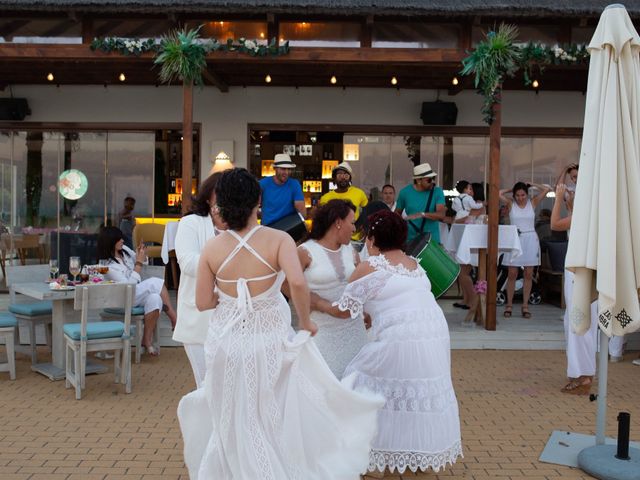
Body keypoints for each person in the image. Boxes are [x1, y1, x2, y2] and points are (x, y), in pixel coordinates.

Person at [177, 168, 382, 479]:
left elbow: (203, 302)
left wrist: (229, 298)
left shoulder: (212, 248)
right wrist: (305, 322)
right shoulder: (278, 239)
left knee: (235, 416)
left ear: (222, 204)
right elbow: (298, 284)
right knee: (274, 412)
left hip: (227, 343)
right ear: (258, 200)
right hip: (270, 340)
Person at [335, 210, 462, 475]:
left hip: (402, 337)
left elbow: (346, 308)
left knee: (357, 381)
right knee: (413, 394)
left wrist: (311, 302)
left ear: (371, 239)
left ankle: (377, 453)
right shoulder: (415, 264)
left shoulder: (369, 266)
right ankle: (411, 456)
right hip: (433, 333)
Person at [552, 183, 625, 393]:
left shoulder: (585, 216)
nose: (570, 194)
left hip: (581, 273)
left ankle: (583, 375)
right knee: (575, 321)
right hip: (584, 271)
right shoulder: (588, 215)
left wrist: (557, 198)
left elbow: (555, 224)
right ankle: (581, 372)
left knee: (579, 321)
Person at [293, 199, 368, 378]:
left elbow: (361, 284)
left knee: (355, 382)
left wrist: (366, 310)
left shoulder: (351, 251)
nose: (354, 228)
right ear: (338, 222)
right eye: (352, 222)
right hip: (322, 331)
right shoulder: (305, 251)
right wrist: (321, 304)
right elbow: (288, 285)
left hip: (354, 330)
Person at [172, 172, 226, 388]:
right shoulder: (191, 223)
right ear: (207, 197)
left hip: (232, 319)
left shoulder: (239, 226)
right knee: (206, 385)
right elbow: (187, 262)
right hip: (199, 318)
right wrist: (228, 268)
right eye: (220, 194)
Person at [97, 226, 177, 356]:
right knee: (155, 282)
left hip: (136, 295)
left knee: (155, 299)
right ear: (110, 242)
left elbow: (143, 261)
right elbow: (128, 286)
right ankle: (174, 317)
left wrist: (141, 253)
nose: (123, 240)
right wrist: (138, 264)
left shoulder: (125, 250)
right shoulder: (106, 266)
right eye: (119, 239)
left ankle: (146, 339)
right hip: (122, 298)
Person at [499, 181, 551, 318]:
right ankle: (509, 305)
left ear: (526, 194)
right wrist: (512, 188)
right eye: (517, 195)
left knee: (528, 274)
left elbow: (546, 189)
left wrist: (532, 184)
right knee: (512, 273)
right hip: (515, 239)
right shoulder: (511, 204)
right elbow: (498, 193)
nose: (520, 197)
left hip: (530, 239)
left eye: (523, 194)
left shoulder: (532, 202)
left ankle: (525, 306)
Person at [395, 163, 446, 244]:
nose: (432, 182)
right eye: (428, 180)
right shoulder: (404, 192)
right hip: (410, 240)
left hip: (432, 241)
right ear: (418, 180)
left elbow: (441, 215)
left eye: (433, 178)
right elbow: (396, 214)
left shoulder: (437, 191)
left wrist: (422, 214)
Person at [319, 162, 368, 242]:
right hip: (333, 240)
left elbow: (366, 212)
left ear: (350, 178)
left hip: (355, 240)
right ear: (334, 178)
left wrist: (364, 228)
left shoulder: (359, 193)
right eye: (339, 175)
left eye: (346, 175)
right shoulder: (325, 198)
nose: (343, 177)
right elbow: (322, 221)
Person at [259, 153, 306, 226]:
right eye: (283, 169)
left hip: (286, 230)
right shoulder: (262, 184)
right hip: (272, 230)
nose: (286, 172)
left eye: (289, 169)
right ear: (275, 168)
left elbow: (301, 210)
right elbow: (302, 214)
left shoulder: (294, 184)